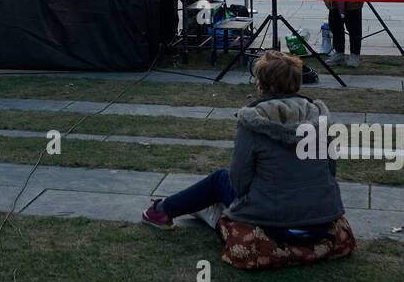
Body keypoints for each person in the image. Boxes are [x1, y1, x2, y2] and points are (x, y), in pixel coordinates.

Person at [141, 50, 354, 270]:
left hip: (271, 220)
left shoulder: (253, 121)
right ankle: (198, 209)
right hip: (320, 218)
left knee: (219, 179)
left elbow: (239, 181)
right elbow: (330, 169)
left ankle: (162, 210)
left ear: (261, 84)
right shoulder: (319, 116)